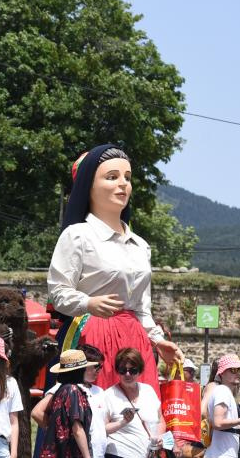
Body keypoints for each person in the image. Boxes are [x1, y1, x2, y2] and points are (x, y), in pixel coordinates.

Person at [48, 145, 183, 392]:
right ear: (89, 185)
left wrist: (158, 340)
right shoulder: (78, 235)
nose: (123, 184)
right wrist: (88, 303)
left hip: (134, 340)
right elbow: (58, 292)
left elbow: (142, 308)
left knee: (138, 416)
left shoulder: (141, 246)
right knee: (93, 413)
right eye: (112, 177)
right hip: (91, 335)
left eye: (127, 178)